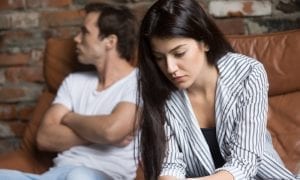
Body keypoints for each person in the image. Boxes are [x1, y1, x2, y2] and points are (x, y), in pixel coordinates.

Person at [137, 0, 299, 179]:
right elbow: (170, 165)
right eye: (159, 57)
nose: (170, 68)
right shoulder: (161, 91)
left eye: (179, 53)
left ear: (205, 42)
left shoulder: (248, 73)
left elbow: (244, 164)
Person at [0, 2, 139, 180]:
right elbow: (44, 138)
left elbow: (110, 131)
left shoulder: (139, 82)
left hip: (97, 175)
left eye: (85, 32)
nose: (77, 39)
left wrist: (68, 118)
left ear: (110, 42)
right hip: (55, 175)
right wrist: (99, 135)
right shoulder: (74, 81)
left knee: (78, 176)